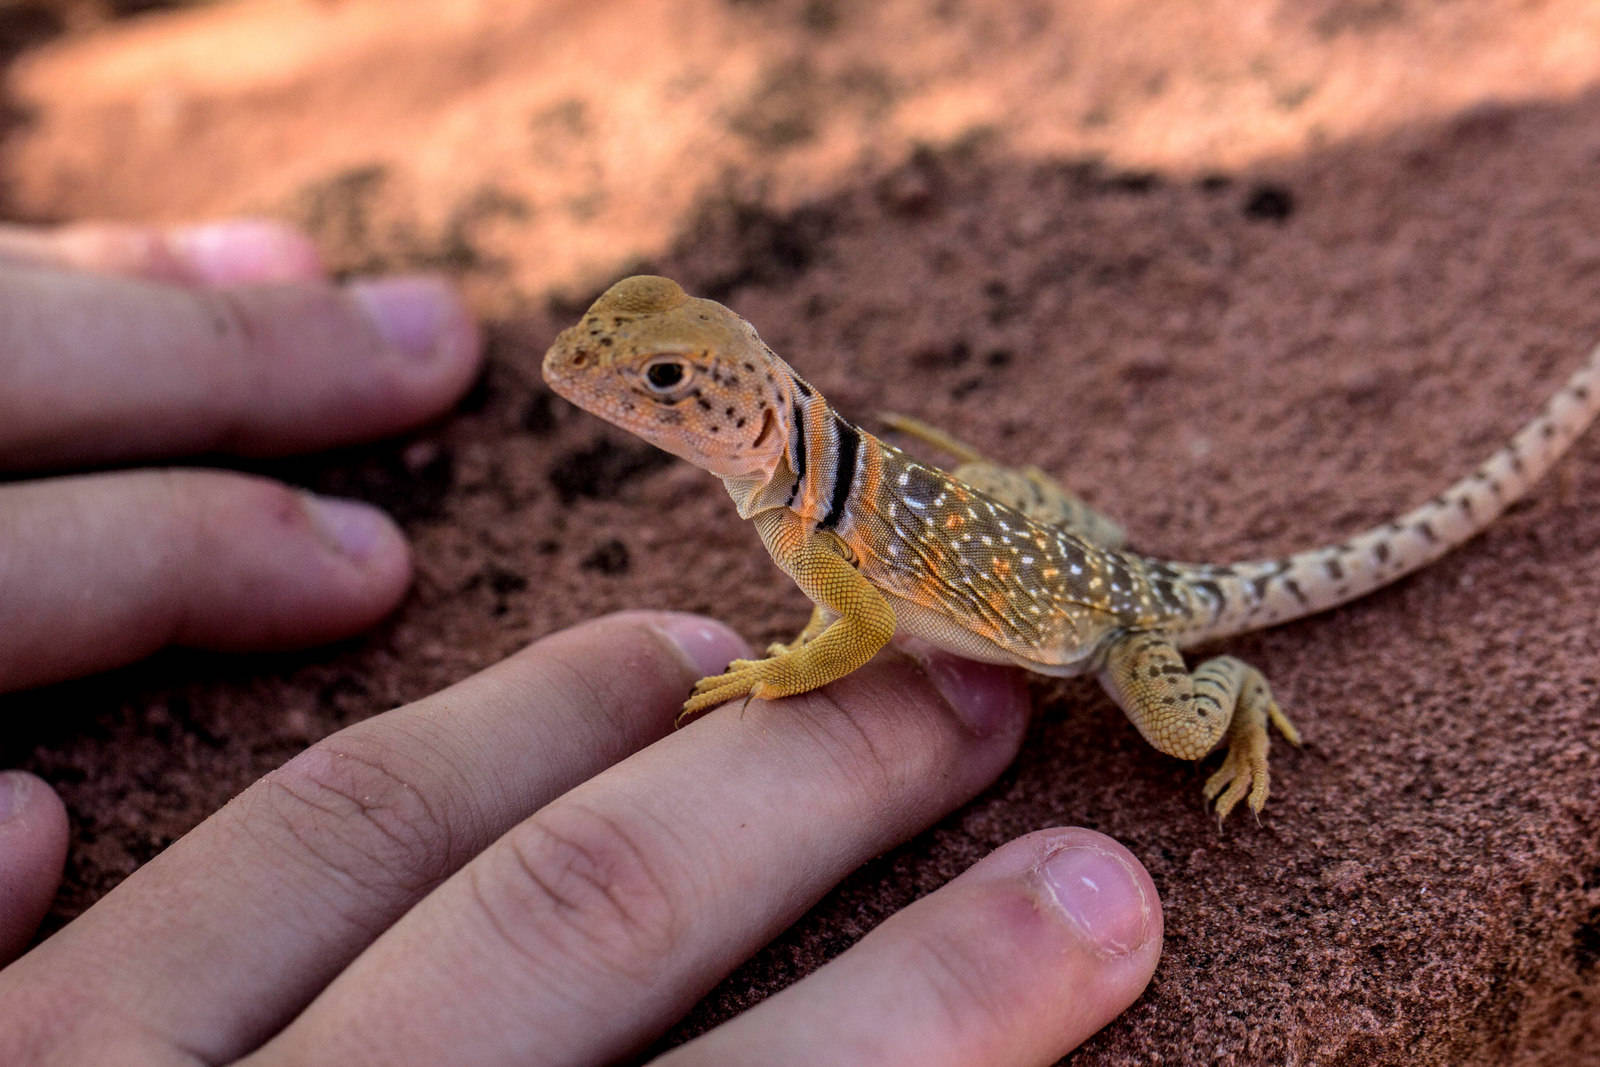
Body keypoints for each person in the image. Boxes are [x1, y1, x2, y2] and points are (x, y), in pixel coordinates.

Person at [0, 220, 1161, 1064]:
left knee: (1168, 699)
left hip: (1095, 620)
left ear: (747, 408)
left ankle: (1221, 687)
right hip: (1028, 563)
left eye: (659, 380)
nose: (598, 379)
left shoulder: (814, 516)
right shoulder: (799, 480)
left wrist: (777, 671)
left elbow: (858, 624)